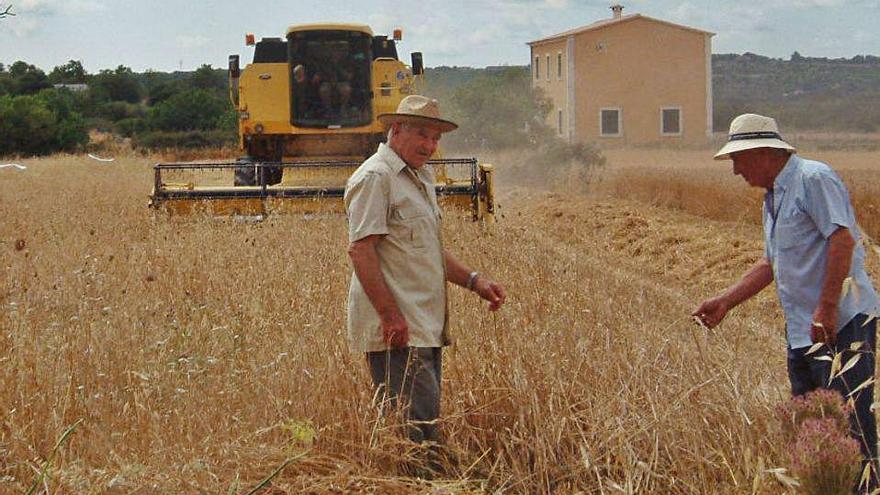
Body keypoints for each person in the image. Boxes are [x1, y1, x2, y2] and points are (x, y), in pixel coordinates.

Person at [693, 113, 880, 491]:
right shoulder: (773, 198)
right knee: (811, 433)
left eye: (737, 160)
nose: (734, 171)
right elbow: (771, 262)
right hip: (803, 331)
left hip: (842, 325)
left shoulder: (814, 178)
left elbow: (842, 240)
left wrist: (826, 306)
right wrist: (726, 301)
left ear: (762, 153)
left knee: (852, 431)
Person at [344, 95, 506, 450]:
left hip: (422, 324)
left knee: (423, 422)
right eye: (422, 134)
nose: (430, 145)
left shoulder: (418, 177)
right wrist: (390, 316)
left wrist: (474, 281)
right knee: (413, 434)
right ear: (396, 129)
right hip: (400, 328)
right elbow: (361, 249)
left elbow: (427, 249)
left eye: (436, 138)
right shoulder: (376, 177)